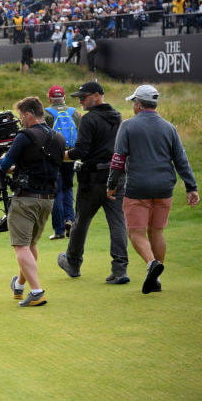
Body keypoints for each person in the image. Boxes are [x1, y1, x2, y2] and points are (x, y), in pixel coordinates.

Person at [106, 85, 199, 294]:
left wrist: (111, 185)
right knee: (157, 231)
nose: (133, 106)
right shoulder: (169, 127)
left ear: (139, 104)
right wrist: (191, 186)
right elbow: (181, 159)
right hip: (165, 186)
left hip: (138, 187)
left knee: (136, 232)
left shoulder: (128, 126)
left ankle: (151, 265)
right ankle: (155, 280)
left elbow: (118, 159)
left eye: (133, 103)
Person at [56, 81, 128, 283]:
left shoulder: (89, 119)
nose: (80, 100)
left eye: (83, 96)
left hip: (93, 178)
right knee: (117, 222)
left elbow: (81, 151)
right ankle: (120, 269)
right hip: (116, 176)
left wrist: (59, 155)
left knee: (81, 221)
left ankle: (73, 262)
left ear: (97, 96)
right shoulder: (117, 116)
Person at [0, 97, 65, 307]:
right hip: (48, 199)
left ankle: (36, 291)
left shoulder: (24, 136)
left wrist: (3, 163)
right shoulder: (58, 137)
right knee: (31, 244)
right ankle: (19, 285)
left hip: (26, 198)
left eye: (21, 116)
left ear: (28, 114)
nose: (21, 121)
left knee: (21, 246)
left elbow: (4, 164)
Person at [43, 85, 80, 240]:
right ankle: (69, 220)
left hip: (54, 157)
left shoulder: (46, 113)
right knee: (68, 188)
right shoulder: (75, 113)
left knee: (55, 191)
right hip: (71, 156)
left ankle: (58, 230)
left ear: (50, 98)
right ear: (64, 97)